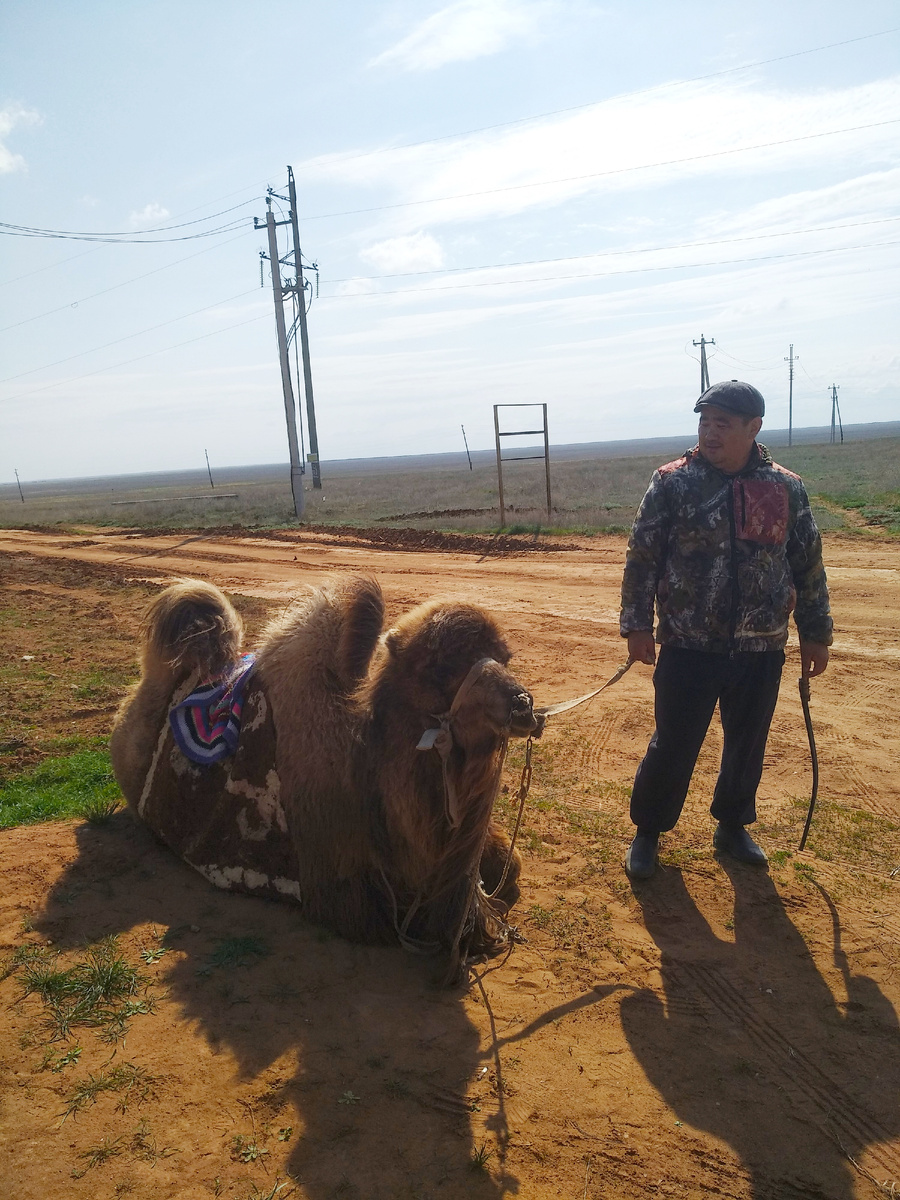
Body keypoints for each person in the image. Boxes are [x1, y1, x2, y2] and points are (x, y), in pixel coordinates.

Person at [619, 379, 832, 880]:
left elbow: (807, 562)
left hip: (761, 645)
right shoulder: (672, 483)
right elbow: (642, 558)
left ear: (753, 427)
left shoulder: (784, 487)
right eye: (704, 422)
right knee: (673, 743)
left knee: (747, 743)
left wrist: (815, 632)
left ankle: (733, 826)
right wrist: (637, 624)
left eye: (723, 424)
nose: (710, 433)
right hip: (688, 642)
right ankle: (648, 831)